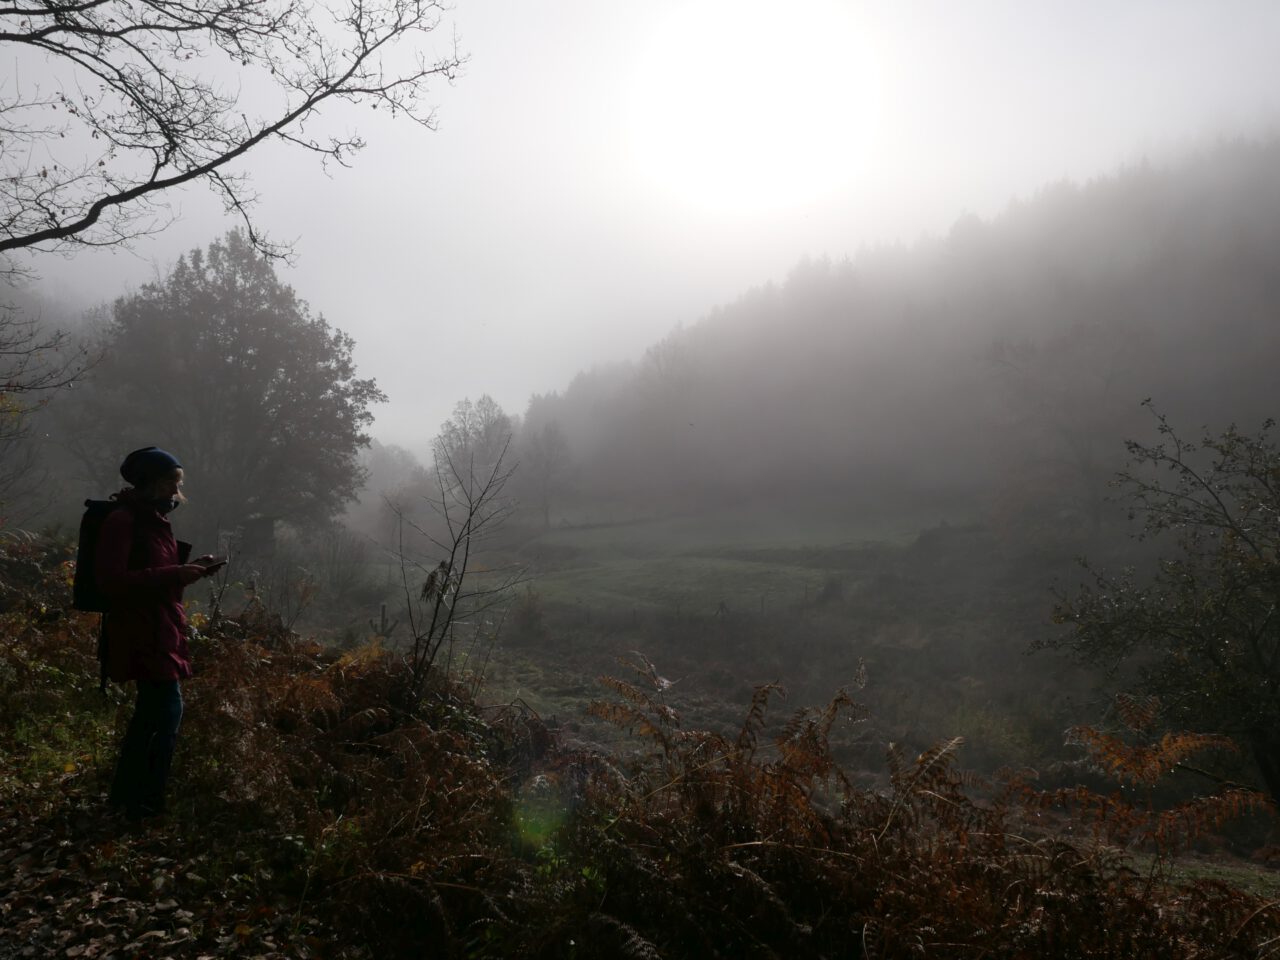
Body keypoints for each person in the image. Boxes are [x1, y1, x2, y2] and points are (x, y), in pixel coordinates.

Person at [97, 446, 220, 822]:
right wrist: (175, 574)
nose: (175, 490)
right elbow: (111, 582)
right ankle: (144, 802)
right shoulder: (123, 521)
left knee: (152, 714)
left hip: (161, 625)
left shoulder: (154, 520)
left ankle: (129, 798)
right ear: (148, 482)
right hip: (139, 630)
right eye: (170, 482)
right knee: (166, 710)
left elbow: (158, 575)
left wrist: (187, 571)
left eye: (177, 483)